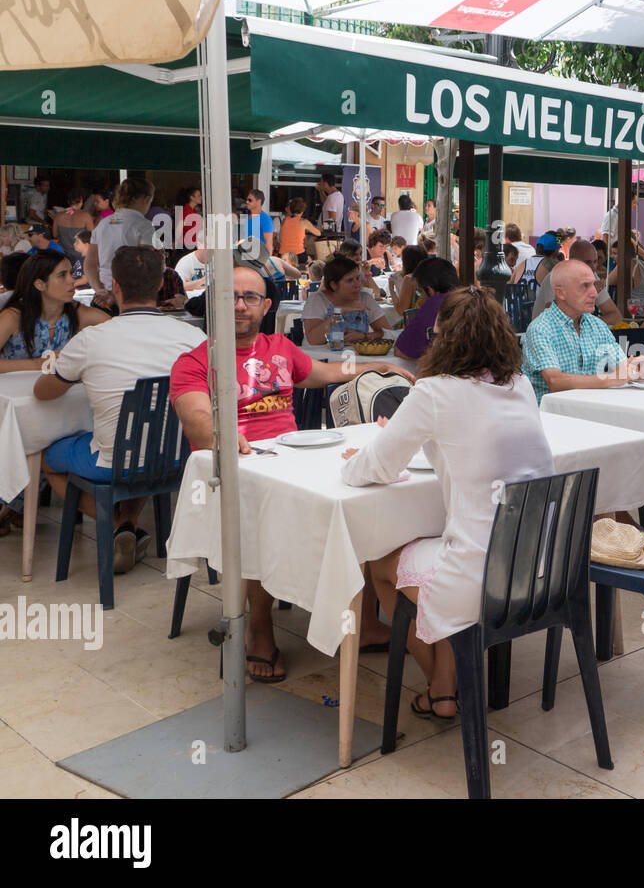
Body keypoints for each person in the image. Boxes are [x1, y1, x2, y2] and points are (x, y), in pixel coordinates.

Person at [172, 264, 412, 680]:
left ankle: (366, 621)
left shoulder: (279, 347)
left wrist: (378, 369)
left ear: (266, 306)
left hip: (292, 459)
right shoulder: (194, 362)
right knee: (255, 520)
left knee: (364, 501)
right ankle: (260, 631)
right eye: (231, 296)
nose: (240, 305)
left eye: (250, 297)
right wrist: (226, 437)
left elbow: (324, 374)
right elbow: (195, 420)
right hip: (234, 470)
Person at [341, 287, 556, 718]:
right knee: (437, 541)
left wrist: (360, 456)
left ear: (443, 339)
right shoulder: (519, 386)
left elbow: (374, 469)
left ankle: (442, 686)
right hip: (541, 568)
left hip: (483, 576)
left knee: (377, 563)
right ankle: (442, 687)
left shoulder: (434, 391)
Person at [34, 246, 206, 572]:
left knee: (47, 458)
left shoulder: (91, 340)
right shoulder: (193, 336)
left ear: (115, 285)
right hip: (177, 457)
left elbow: (43, 393)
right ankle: (126, 521)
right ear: (159, 285)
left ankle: (116, 525)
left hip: (113, 462)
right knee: (143, 446)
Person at [522, 259, 644, 401]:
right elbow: (556, 381)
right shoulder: (540, 329)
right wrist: (613, 377)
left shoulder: (597, 325)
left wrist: (640, 366)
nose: (594, 293)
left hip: (590, 411)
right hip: (552, 417)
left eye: (594, 285)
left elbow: (622, 367)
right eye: (585, 286)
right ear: (561, 293)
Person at [0, 249, 108, 371]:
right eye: (62, 275)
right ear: (40, 284)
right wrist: (38, 364)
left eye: (71, 273)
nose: (72, 280)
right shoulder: (13, 317)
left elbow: (119, 330)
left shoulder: (77, 313)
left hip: (63, 389)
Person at [87, 177, 156, 308]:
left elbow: (90, 264)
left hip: (102, 297)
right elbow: (144, 266)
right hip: (130, 299)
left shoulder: (103, 223)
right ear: (146, 199)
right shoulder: (144, 225)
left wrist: (99, 290)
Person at [302, 256, 392, 345]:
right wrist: (340, 312)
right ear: (333, 285)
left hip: (359, 357)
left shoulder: (365, 298)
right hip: (323, 357)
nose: (357, 285)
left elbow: (389, 334)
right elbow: (313, 340)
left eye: (358, 278)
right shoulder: (317, 300)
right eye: (350, 280)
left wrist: (364, 336)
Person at [532, 240, 620, 324]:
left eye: (595, 261)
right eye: (587, 262)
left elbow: (615, 316)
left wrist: (589, 326)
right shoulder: (556, 277)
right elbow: (555, 319)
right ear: (572, 261)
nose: (593, 267)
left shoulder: (592, 276)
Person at [395, 256, 458, 360]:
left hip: (453, 373)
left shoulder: (435, 303)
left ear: (430, 290)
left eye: (420, 291)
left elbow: (401, 351)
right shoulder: (474, 298)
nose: (422, 297)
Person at [279, 196, 320, 266]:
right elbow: (318, 233)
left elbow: (280, 238)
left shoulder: (284, 220)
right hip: (298, 255)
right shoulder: (304, 222)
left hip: (283, 254)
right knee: (311, 262)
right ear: (303, 210)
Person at [391, 243, 429, 316]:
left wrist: (391, 289)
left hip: (416, 322)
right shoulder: (431, 275)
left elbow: (401, 311)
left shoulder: (410, 279)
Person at [243, 189, 275, 256]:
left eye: (250, 200)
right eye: (247, 200)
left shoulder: (265, 219)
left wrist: (267, 263)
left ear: (259, 201)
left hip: (259, 258)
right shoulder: (247, 218)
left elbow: (269, 244)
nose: (247, 202)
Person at [176, 185, 203, 251]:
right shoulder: (186, 211)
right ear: (192, 197)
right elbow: (179, 228)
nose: (201, 197)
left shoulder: (193, 211)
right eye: (198, 195)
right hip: (186, 246)